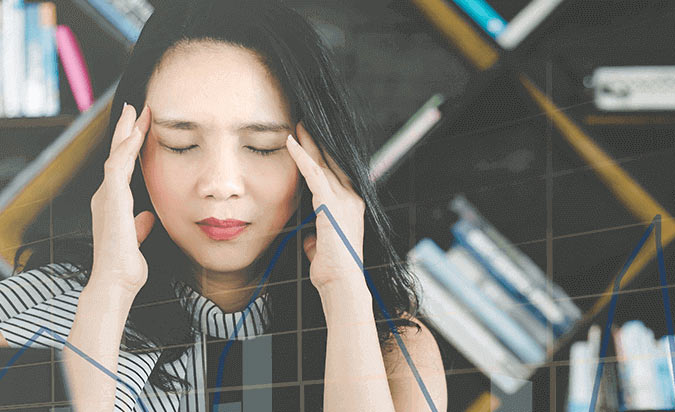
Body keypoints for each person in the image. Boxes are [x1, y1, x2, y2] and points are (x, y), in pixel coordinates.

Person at [0, 0, 448, 410]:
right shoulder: (29, 309)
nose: (220, 185)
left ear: (322, 161)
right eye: (180, 144)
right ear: (132, 152)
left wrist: (343, 288)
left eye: (262, 146)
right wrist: (109, 294)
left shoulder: (394, 351)